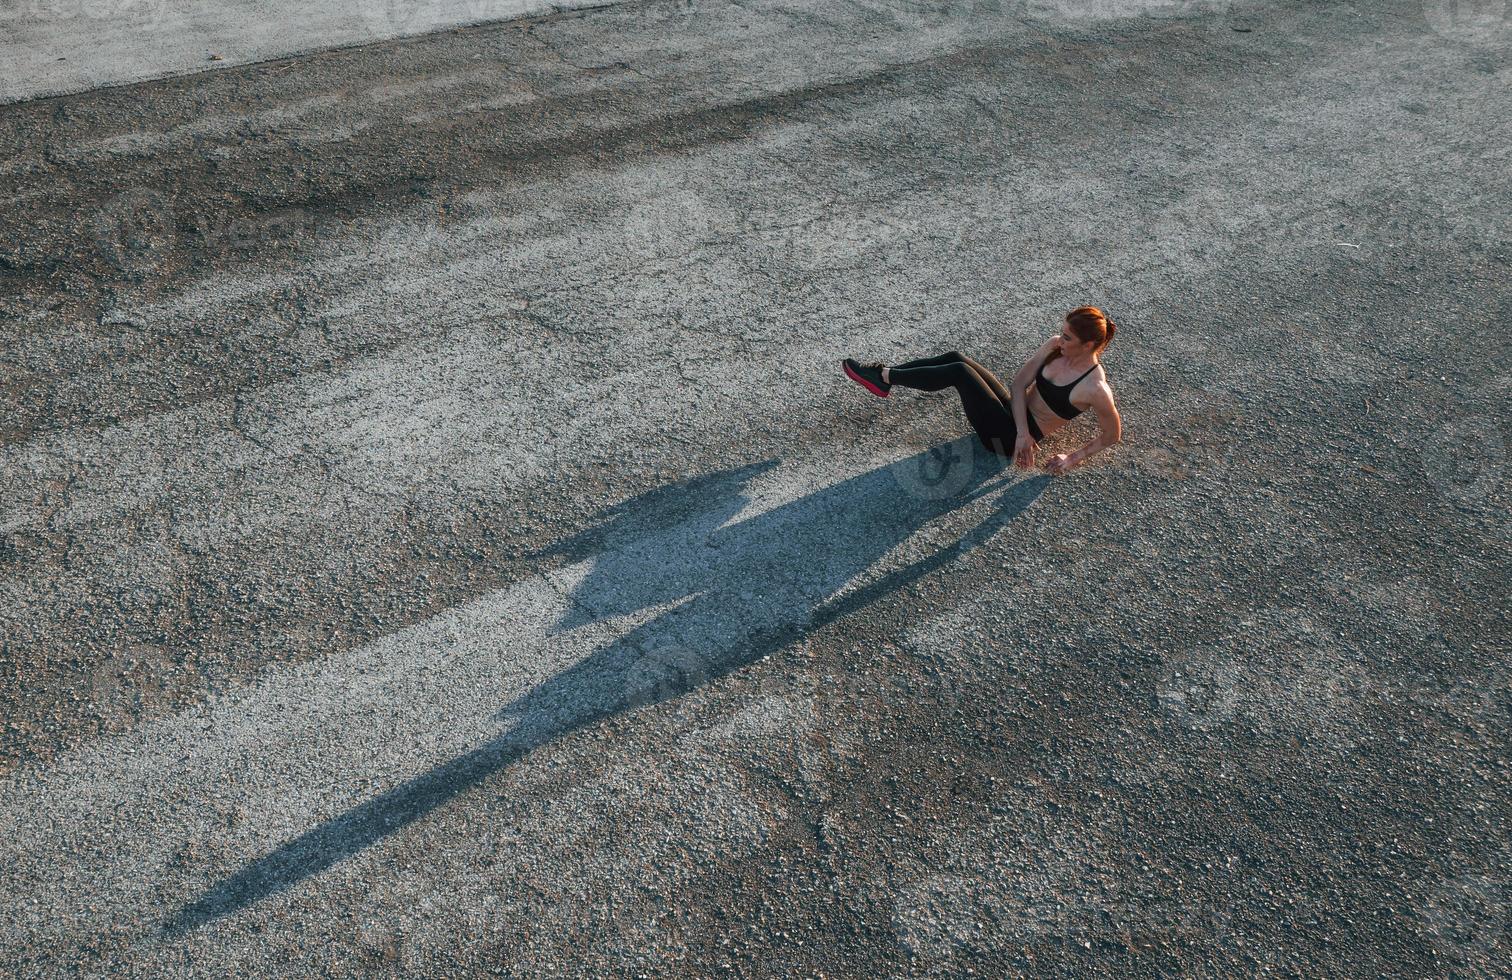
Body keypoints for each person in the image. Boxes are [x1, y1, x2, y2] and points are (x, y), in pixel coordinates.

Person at [842, 306, 1122, 475]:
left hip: (1007, 440)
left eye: (1067, 337)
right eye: (1062, 332)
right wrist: (1024, 431)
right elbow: (1018, 383)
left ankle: (884, 378)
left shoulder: (1095, 388)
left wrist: (1071, 459)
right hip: (1016, 418)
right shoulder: (1054, 347)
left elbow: (1112, 435)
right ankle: (884, 375)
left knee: (959, 373)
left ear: (1087, 345)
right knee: (957, 357)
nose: (1060, 339)